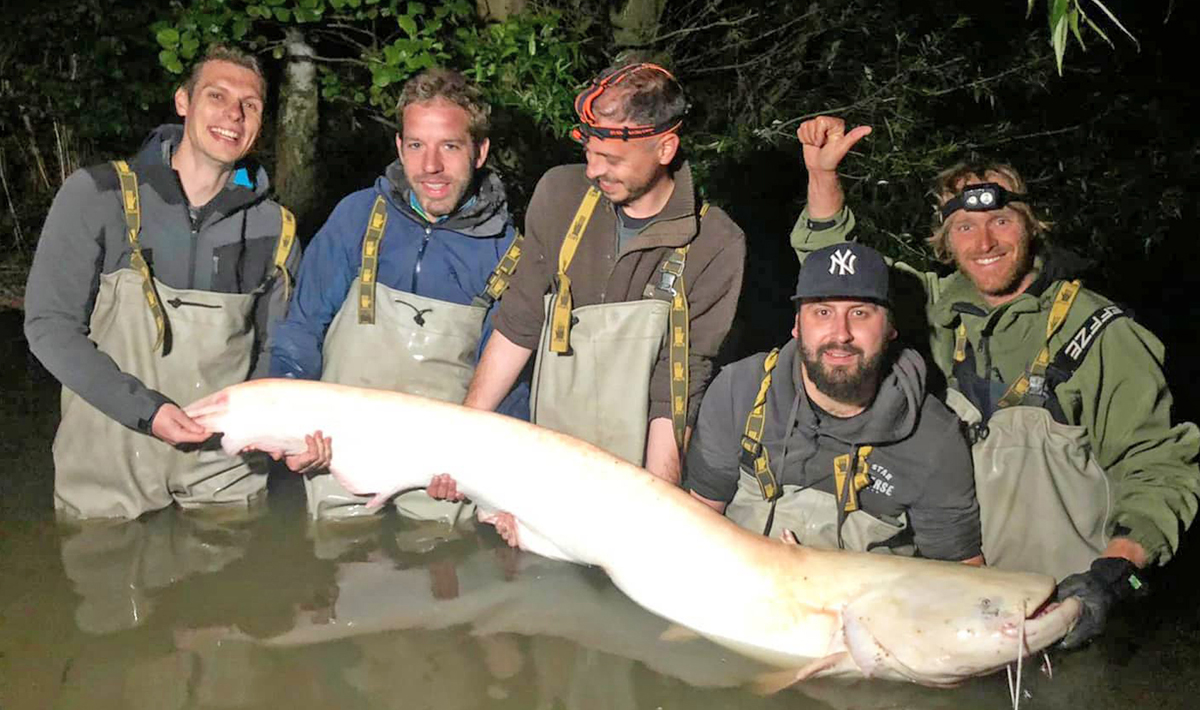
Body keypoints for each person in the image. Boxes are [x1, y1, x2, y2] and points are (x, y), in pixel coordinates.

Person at [788, 115, 1200, 646]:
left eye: (1001, 221)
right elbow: (837, 275)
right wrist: (823, 178)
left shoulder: (1099, 331)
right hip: (950, 611)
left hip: (1062, 616)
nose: (984, 240)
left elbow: (1159, 467)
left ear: (1031, 225)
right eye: (964, 227)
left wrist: (1114, 576)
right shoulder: (932, 309)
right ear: (945, 240)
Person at [432, 60, 745, 500]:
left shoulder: (716, 243)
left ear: (665, 148)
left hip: (633, 473)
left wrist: (657, 500)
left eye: (611, 158)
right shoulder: (560, 193)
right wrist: (464, 438)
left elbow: (678, 387)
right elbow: (518, 322)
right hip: (547, 456)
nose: (594, 171)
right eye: (589, 153)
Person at [25, 45, 301, 521]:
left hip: (226, 472)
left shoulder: (277, 228)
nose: (233, 114)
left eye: (250, 105)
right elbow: (49, 327)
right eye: (217, 95)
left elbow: (277, 352)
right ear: (183, 102)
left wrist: (273, 430)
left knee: (234, 588)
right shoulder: (98, 195)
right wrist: (147, 411)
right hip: (109, 465)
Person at [268, 68, 528, 523]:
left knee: (438, 566)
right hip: (338, 451)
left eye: (449, 146)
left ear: (480, 151)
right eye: (415, 145)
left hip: (441, 471)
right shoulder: (357, 217)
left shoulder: (509, 251)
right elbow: (303, 327)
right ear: (399, 148)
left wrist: (485, 470)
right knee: (333, 562)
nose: (430, 166)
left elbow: (510, 387)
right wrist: (294, 427)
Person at [685, 242, 982, 561]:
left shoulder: (933, 437)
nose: (841, 334)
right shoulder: (739, 390)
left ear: (890, 328)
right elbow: (700, 523)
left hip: (863, 606)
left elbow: (961, 575)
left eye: (860, 313)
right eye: (823, 312)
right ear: (797, 324)